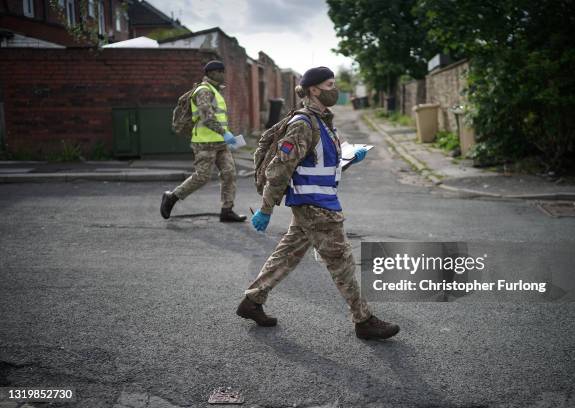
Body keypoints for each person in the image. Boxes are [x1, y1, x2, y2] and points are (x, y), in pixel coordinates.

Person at [236, 67, 400, 340]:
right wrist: (266, 209)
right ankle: (364, 320)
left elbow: (320, 166)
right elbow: (280, 169)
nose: (334, 89)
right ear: (313, 89)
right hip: (316, 206)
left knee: (288, 254)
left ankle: (252, 301)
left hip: (316, 202)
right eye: (330, 84)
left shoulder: (321, 122)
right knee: (341, 261)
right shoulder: (302, 124)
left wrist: (349, 160)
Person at [160, 60, 247, 222]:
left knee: (229, 173)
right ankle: (172, 197)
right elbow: (207, 118)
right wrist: (225, 133)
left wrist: (227, 137)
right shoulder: (203, 91)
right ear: (212, 73)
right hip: (204, 143)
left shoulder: (215, 91)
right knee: (202, 177)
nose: (223, 74)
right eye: (221, 71)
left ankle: (227, 210)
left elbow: (218, 118)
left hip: (220, 143)